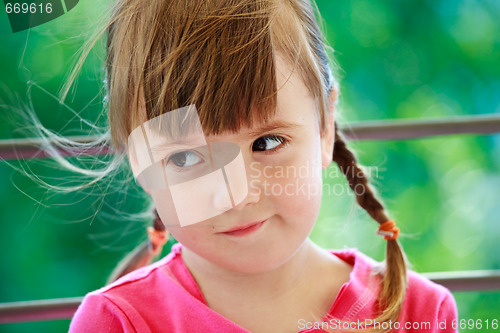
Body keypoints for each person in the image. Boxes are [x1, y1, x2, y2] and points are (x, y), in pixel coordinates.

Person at [68, 0, 457, 332]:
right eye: (185, 157)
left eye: (267, 143)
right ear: (140, 163)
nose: (237, 195)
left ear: (325, 127)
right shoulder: (115, 322)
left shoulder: (419, 313)